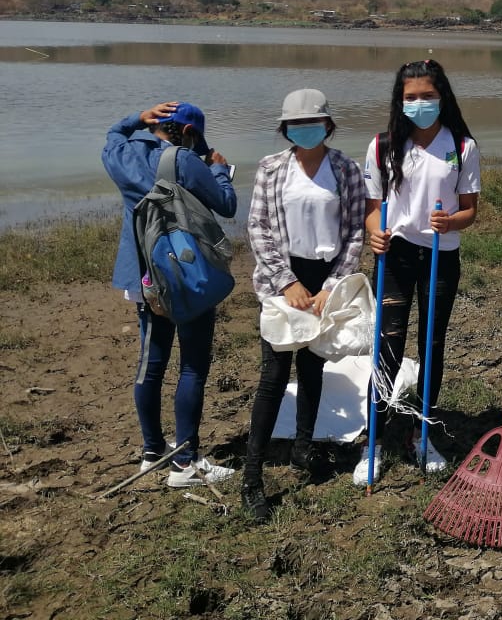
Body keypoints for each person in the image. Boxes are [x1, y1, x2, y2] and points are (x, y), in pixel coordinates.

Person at [241, 89, 366, 522]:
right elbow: (257, 228)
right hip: (284, 279)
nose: (305, 130)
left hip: (326, 278)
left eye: (313, 123)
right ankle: (252, 476)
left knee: (314, 365)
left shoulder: (346, 170)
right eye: (296, 125)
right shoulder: (271, 169)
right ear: (286, 129)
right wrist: (286, 282)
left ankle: (303, 447)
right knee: (274, 374)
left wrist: (331, 285)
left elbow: (353, 232)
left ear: (328, 125)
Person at [102, 100, 238, 487]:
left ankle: (152, 452)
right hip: (187, 276)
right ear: (191, 133)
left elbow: (113, 134)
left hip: (144, 279)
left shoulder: (124, 154)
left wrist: (135, 118)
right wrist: (219, 169)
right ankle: (186, 463)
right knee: (193, 365)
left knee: (152, 363)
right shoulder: (186, 161)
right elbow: (226, 204)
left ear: (155, 125)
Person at [358, 59, 480, 483]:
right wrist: (375, 235)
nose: (420, 103)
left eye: (427, 95)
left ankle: (421, 434)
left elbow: (470, 211)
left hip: (441, 255)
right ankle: (372, 440)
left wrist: (452, 222)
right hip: (397, 255)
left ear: (441, 96)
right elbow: (372, 213)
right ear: (400, 101)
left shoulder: (462, 147)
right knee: (387, 344)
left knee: (432, 344)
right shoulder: (382, 146)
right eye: (411, 97)